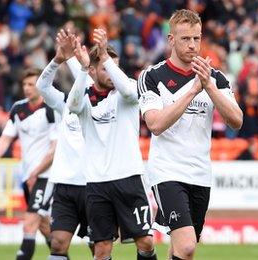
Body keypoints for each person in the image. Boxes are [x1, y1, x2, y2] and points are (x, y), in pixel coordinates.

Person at [137, 9, 242, 260]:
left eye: (197, 38)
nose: (192, 45)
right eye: (185, 39)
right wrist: (193, 91)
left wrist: (209, 87)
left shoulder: (215, 78)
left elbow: (236, 120)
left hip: (200, 173)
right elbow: (156, 124)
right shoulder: (152, 76)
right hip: (167, 172)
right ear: (171, 40)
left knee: (180, 249)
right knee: (186, 246)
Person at [67, 28, 156, 260]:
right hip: (97, 182)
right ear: (93, 70)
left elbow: (128, 90)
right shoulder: (84, 94)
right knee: (102, 249)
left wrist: (105, 55)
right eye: (105, 67)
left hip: (129, 177)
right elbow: (73, 105)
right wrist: (83, 69)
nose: (111, 72)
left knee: (145, 241)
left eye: (114, 66)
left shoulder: (126, 91)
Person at [0, 68, 59, 260]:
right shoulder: (18, 109)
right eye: (24, 84)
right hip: (28, 176)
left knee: (30, 222)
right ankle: (61, 253)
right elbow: (6, 138)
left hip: (46, 175)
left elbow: (55, 149)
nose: (26, 88)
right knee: (43, 224)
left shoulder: (51, 109)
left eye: (31, 84)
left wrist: (36, 172)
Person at [36, 28, 94, 260]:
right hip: (65, 185)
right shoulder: (65, 105)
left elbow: (89, 89)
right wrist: (58, 60)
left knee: (98, 247)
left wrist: (76, 60)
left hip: (94, 185)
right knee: (58, 243)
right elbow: (42, 87)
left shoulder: (107, 103)